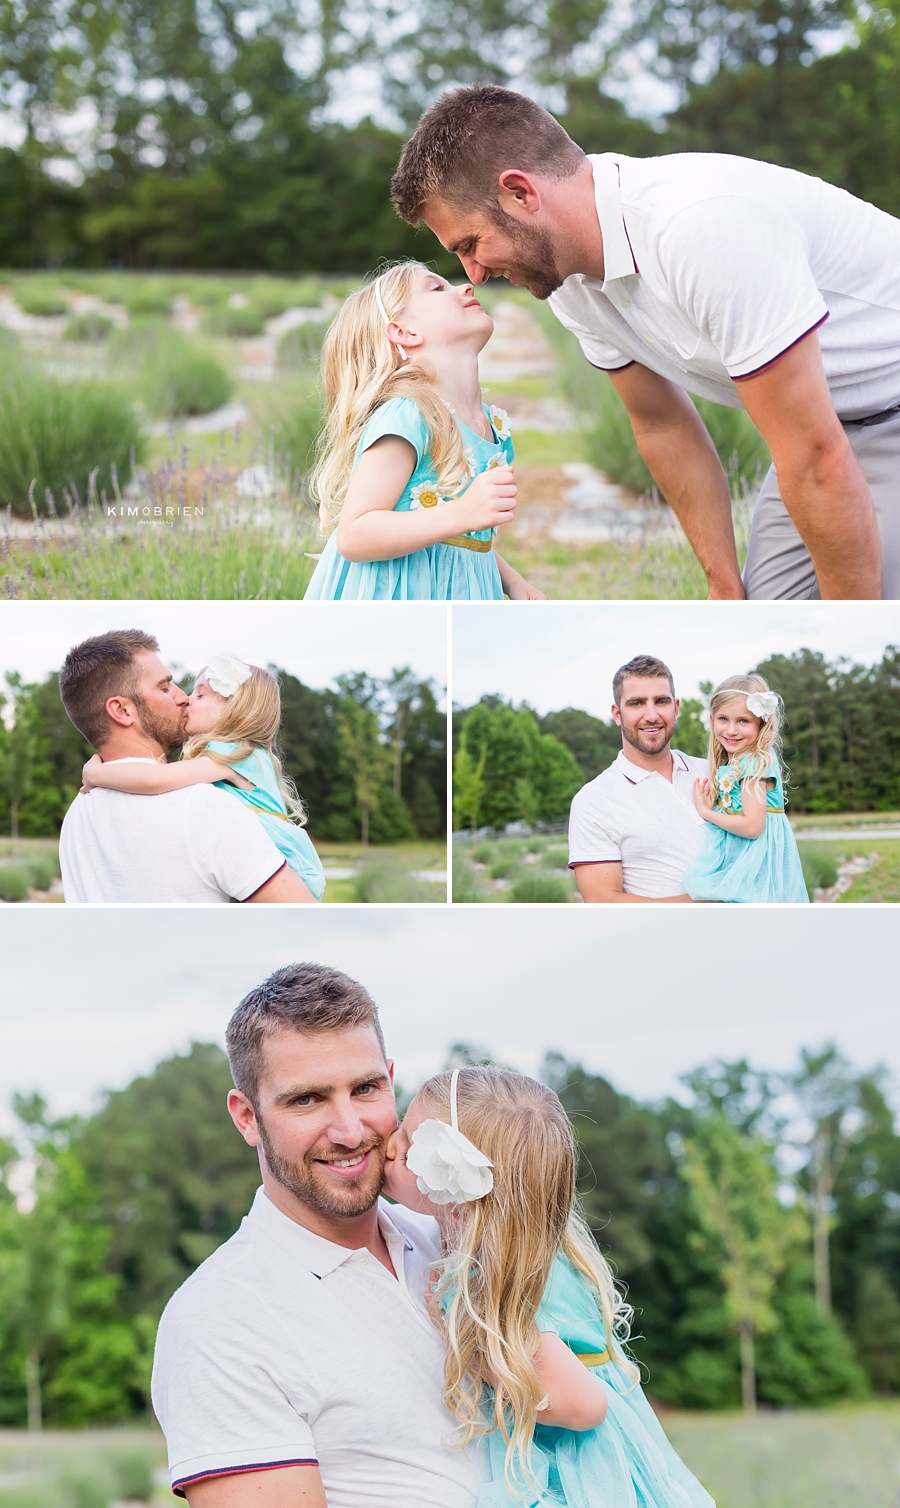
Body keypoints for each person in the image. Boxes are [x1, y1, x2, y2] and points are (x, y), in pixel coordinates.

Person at [391, 84, 900, 601]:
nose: (472, 276)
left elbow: (816, 459)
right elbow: (662, 424)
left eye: (471, 244)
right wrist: (723, 583)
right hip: (826, 430)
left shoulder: (699, 228)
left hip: (882, 411)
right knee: (764, 611)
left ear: (521, 193)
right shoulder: (565, 278)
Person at [151, 963, 489, 1508]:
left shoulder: (452, 1241)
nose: (350, 1131)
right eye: (306, 1099)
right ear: (247, 1117)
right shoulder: (220, 1320)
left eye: (365, 1088)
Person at [384, 1065, 716, 1508]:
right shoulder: (530, 1249)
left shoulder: (498, 1282)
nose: (390, 1146)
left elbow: (584, 1405)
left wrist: (478, 1355)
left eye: (409, 1148)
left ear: (457, 1188)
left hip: (584, 1475)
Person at [304, 259, 545, 600]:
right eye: (437, 288)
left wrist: (512, 581)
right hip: (395, 595)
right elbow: (355, 535)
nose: (465, 287)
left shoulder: (492, 425)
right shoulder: (408, 415)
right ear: (404, 332)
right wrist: (463, 512)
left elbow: (461, 535)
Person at [58, 630, 315, 904]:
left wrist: (95, 773)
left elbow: (154, 779)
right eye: (165, 687)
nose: (184, 698)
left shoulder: (76, 816)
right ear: (122, 711)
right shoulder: (203, 805)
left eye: (199, 695)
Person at [567, 655, 706, 902]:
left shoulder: (712, 772)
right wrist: (716, 902)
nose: (651, 715)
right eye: (636, 703)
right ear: (617, 714)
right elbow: (603, 902)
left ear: (676, 708)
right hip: (661, 939)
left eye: (661, 701)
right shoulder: (593, 801)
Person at [684, 675, 809, 903]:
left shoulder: (754, 763)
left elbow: (752, 827)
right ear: (712, 720)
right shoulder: (735, 762)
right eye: (723, 719)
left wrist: (707, 813)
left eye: (743, 721)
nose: (731, 730)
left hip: (759, 866)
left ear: (761, 723)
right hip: (744, 862)